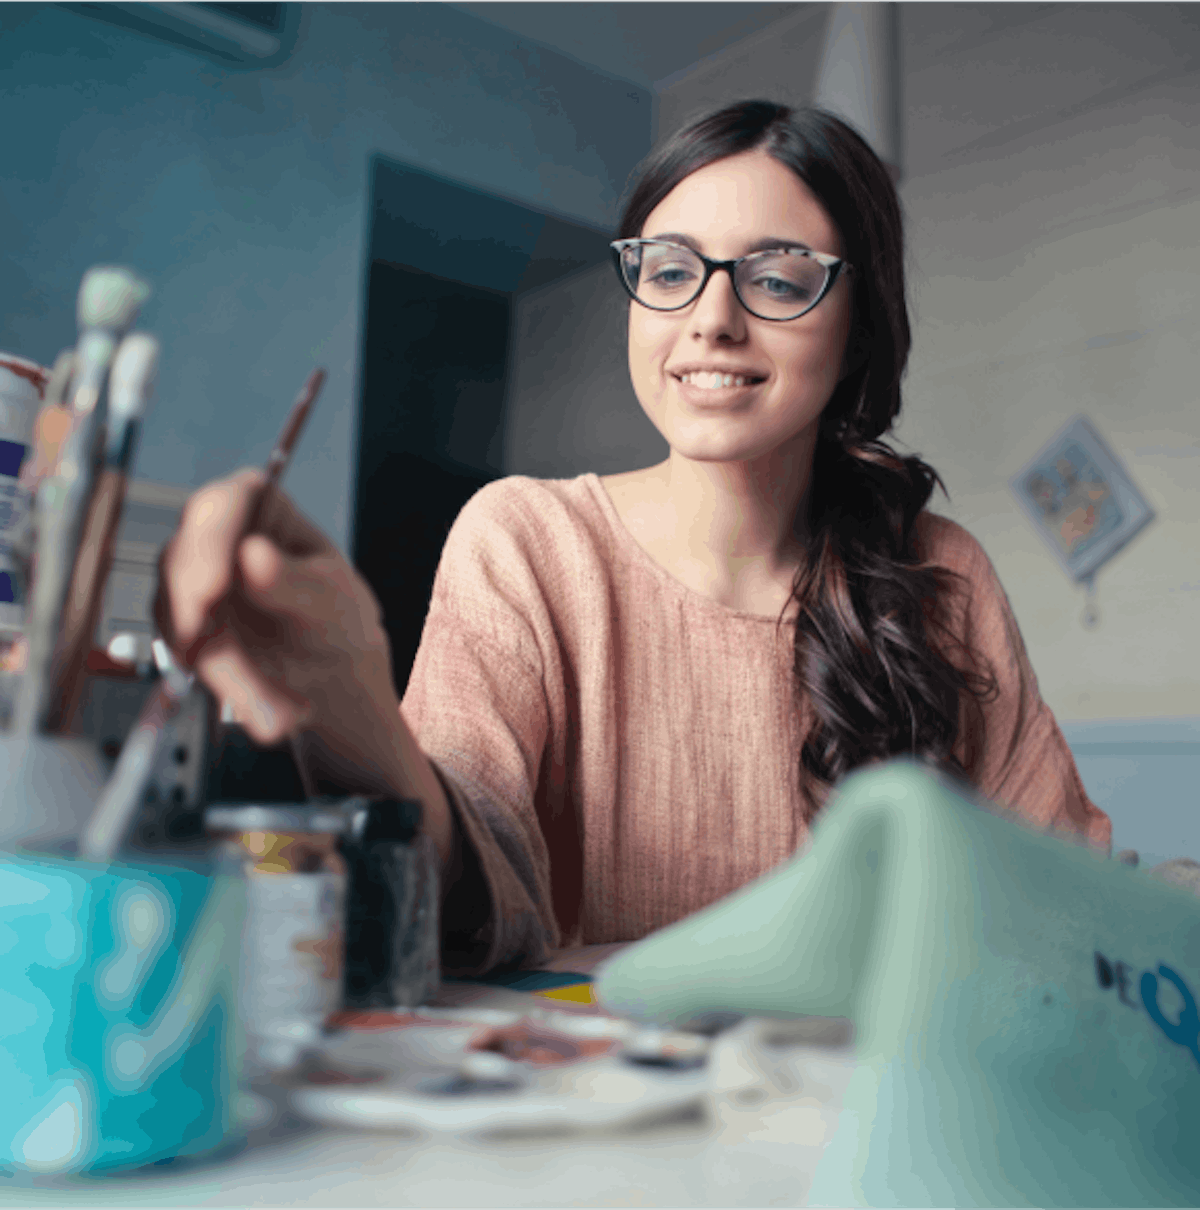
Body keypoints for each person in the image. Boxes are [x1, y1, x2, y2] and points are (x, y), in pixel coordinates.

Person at [155, 100, 1112, 980]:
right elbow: (470, 877)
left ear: (860, 329)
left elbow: (1064, 894)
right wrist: (352, 697)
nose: (712, 320)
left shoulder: (937, 573)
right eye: (669, 271)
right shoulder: (526, 540)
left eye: (778, 279)